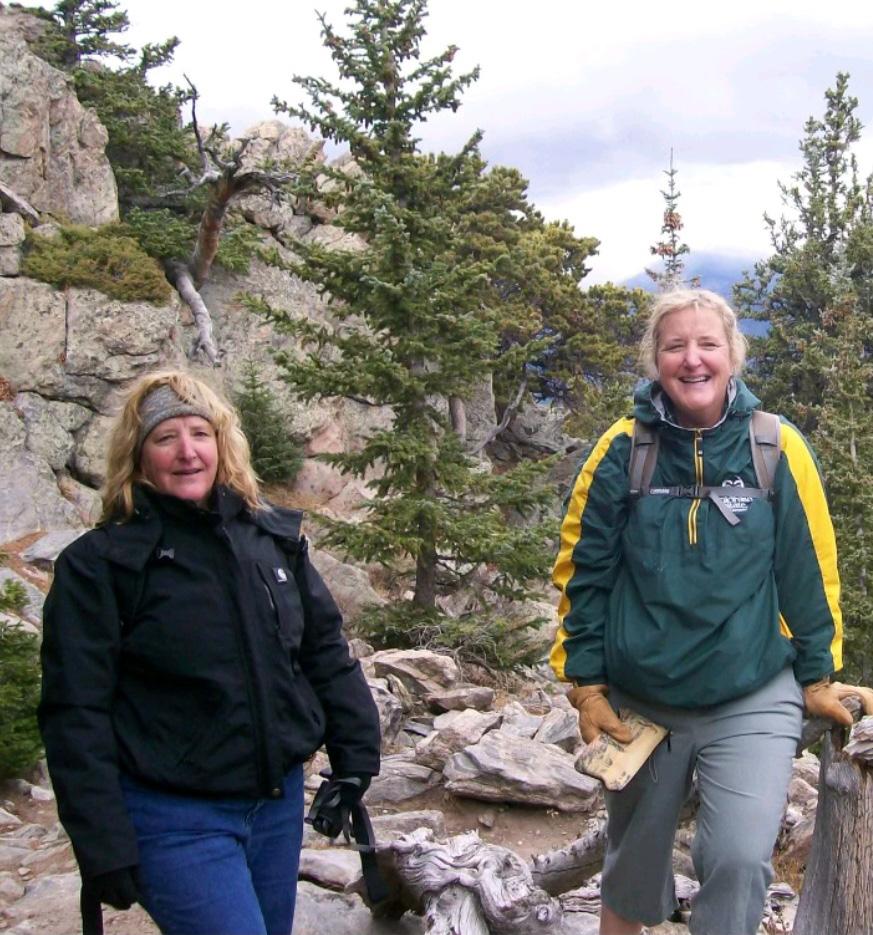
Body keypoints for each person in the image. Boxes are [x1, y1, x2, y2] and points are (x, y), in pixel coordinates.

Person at [549, 288, 853, 935]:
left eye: (707, 344)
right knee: (632, 868)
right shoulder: (623, 449)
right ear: (654, 359)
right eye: (675, 346)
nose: (692, 359)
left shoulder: (774, 446)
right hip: (641, 697)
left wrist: (817, 675)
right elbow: (583, 572)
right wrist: (587, 686)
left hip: (749, 690)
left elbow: (808, 568)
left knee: (738, 860)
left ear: (732, 355)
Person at [39, 369, 381, 935]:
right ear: (138, 456)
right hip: (172, 817)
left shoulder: (269, 540)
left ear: (223, 444)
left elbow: (323, 651)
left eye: (200, 433)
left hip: (275, 809)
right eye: (165, 437)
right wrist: (101, 839)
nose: (187, 452)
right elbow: (75, 710)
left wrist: (356, 759)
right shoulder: (101, 565)